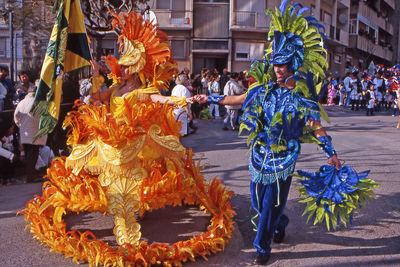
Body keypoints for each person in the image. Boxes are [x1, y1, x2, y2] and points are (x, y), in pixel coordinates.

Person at [22, 12, 235, 267]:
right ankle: (85, 204)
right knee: (77, 160)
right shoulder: (116, 88)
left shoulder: (142, 91)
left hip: (132, 142)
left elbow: (161, 99)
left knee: (131, 181)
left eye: (126, 66)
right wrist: (95, 80)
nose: (121, 70)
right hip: (110, 138)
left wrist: (187, 99)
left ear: (135, 68)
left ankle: (130, 222)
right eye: (120, 66)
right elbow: (99, 98)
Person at [195, 3, 341, 264]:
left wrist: (331, 153)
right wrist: (209, 97)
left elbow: (317, 126)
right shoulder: (263, 91)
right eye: (275, 65)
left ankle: (262, 248)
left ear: (293, 64)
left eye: (283, 65)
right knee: (259, 203)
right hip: (260, 153)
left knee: (270, 204)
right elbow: (237, 99)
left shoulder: (302, 98)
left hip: (285, 157)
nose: (278, 69)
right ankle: (280, 221)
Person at [14, 86, 47, 183]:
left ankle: (30, 176)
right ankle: (30, 177)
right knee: (33, 156)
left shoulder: (21, 103)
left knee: (29, 155)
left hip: (25, 133)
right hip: (35, 133)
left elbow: (16, 117)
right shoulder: (39, 103)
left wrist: (21, 125)